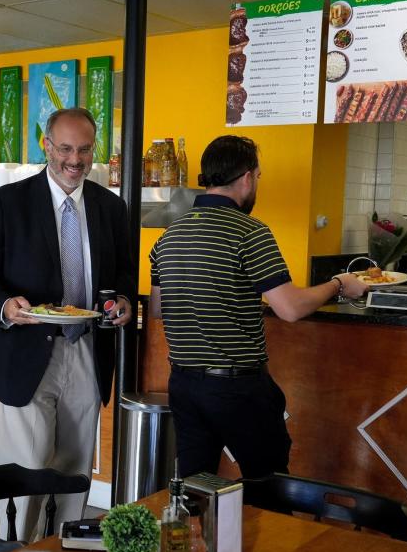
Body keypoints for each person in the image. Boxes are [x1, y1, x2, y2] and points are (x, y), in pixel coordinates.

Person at [148, 135, 367, 480]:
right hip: (237, 388)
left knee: (196, 487)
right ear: (248, 177)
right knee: (267, 488)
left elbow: (159, 309)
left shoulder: (168, 236)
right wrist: (340, 284)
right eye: (258, 177)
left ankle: (197, 535)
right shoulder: (250, 232)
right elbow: (290, 309)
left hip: (184, 386)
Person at [0, 108, 134, 542]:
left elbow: (124, 276)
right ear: (46, 146)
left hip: (87, 350)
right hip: (26, 349)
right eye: (65, 148)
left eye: (84, 149)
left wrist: (124, 301)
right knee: (27, 465)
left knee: (75, 468)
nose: (75, 159)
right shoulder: (9, 202)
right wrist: (4, 305)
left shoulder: (111, 208)